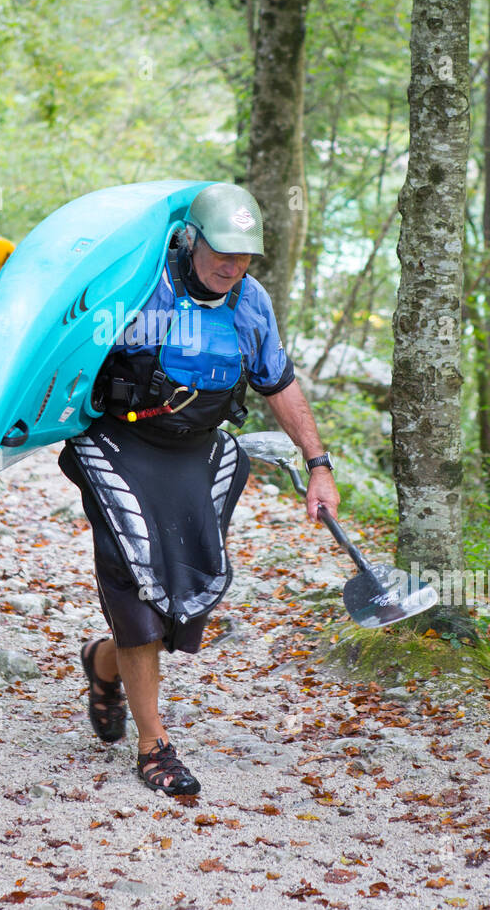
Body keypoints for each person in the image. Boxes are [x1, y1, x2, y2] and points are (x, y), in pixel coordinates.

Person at [58, 183, 340, 798]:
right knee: (136, 589)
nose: (231, 266)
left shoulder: (250, 303)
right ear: (191, 238)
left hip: (196, 456)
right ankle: (154, 744)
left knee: (181, 607)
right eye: (221, 251)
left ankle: (103, 662)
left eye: (244, 257)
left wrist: (318, 464)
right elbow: (64, 347)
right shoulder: (141, 283)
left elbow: (280, 384)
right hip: (121, 448)